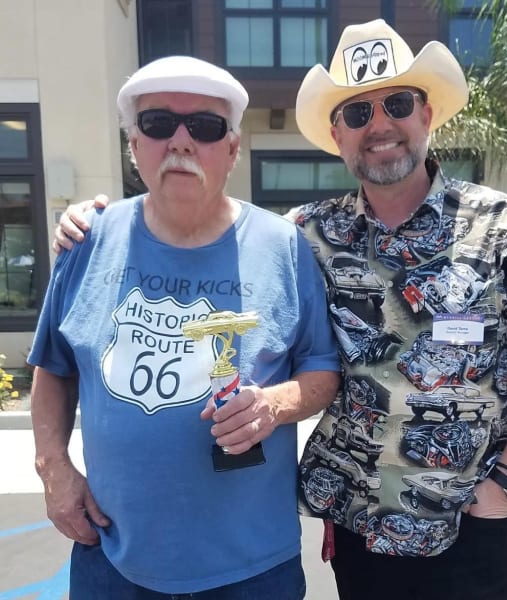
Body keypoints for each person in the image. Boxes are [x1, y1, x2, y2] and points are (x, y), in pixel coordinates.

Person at [53, 19, 507, 600]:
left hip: (464, 526)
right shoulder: (306, 234)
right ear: (338, 135)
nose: (378, 125)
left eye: (396, 104)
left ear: (426, 114)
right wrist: (90, 219)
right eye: (357, 113)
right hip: (359, 524)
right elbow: (206, 219)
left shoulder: (503, 227)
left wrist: (503, 485)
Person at [29, 55, 340, 600]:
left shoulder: (284, 247)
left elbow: (322, 367)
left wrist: (275, 404)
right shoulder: (87, 242)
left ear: (233, 149)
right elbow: (53, 368)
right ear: (132, 144)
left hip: (252, 568)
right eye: (157, 124)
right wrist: (53, 468)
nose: (180, 141)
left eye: (204, 126)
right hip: (113, 558)